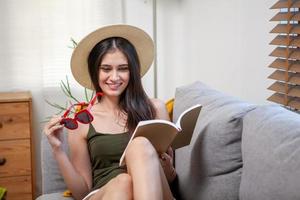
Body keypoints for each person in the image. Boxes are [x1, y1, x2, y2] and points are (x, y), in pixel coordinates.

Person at [43, 24, 177, 200]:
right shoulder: (82, 121)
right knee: (123, 182)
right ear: (95, 72)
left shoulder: (156, 109)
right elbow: (82, 192)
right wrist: (57, 149)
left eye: (122, 68)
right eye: (106, 69)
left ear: (132, 71)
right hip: (106, 194)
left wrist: (168, 169)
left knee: (140, 145)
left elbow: (168, 180)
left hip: (153, 192)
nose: (114, 77)